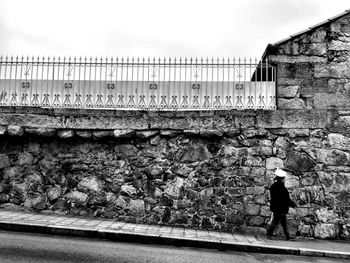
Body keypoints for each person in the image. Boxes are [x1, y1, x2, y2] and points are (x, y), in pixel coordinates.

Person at [267, 168, 296, 240]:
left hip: (276, 207)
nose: (285, 180)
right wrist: (293, 205)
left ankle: (287, 236)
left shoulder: (273, 186)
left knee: (283, 222)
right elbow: (286, 199)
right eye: (284, 178)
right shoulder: (282, 188)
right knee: (275, 221)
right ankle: (269, 234)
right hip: (281, 208)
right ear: (282, 179)